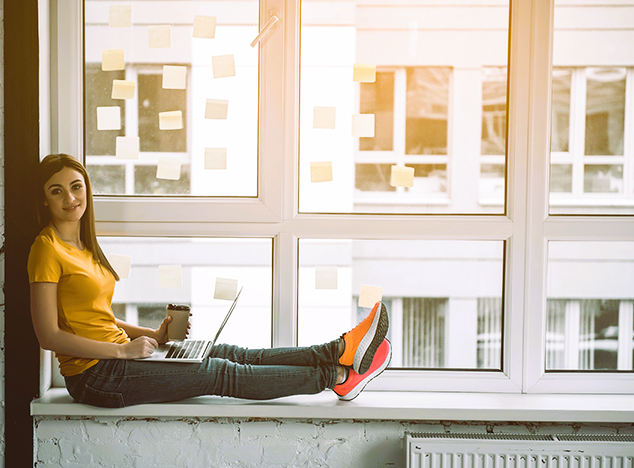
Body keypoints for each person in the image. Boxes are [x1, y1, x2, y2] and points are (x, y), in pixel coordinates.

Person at [28, 153, 391, 407]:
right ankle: (338, 377)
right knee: (220, 373)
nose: (70, 198)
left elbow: (99, 318)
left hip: (117, 359)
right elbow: (49, 336)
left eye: (76, 186)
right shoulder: (46, 249)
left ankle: (338, 350)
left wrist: (150, 336)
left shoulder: (84, 245)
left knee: (228, 353)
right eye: (56, 191)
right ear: (44, 201)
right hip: (95, 378)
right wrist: (123, 349)